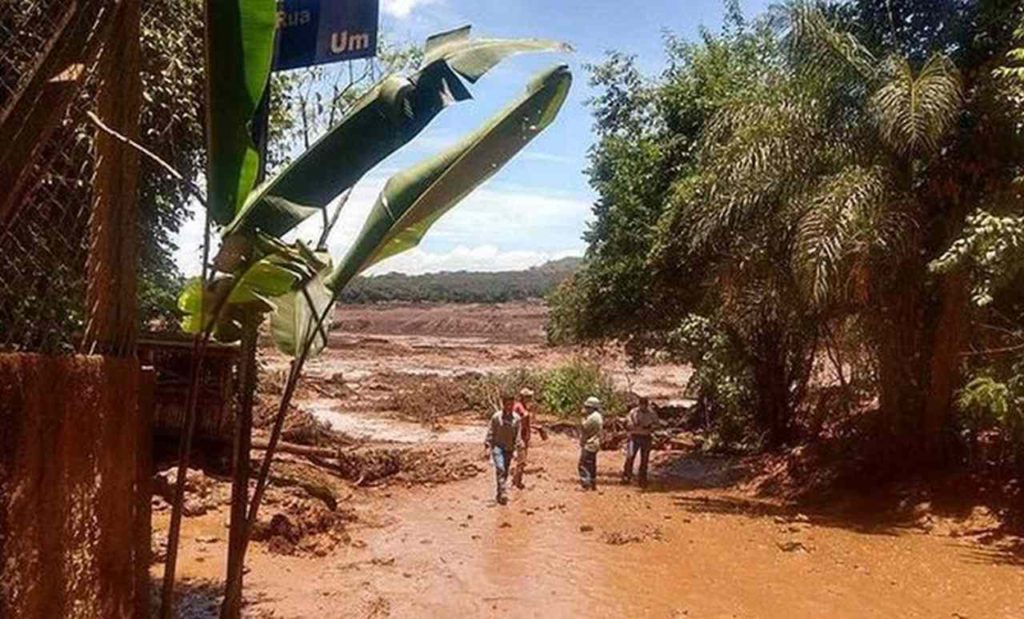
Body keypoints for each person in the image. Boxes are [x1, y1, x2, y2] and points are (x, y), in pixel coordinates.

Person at [484, 393, 522, 505]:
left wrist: (518, 448)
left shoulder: (516, 419)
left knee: (504, 471)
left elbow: (517, 436)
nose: (509, 406)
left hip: (509, 448)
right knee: (500, 468)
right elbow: (490, 432)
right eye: (507, 404)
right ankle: (504, 492)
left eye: (511, 404)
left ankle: (499, 492)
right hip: (497, 447)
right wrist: (487, 447)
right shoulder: (496, 417)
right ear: (503, 404)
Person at [512, 387, 547, 489]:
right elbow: (522, 418)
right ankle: (517, 483)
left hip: (524, 436)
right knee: (521, 461)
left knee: (522, 461)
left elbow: (525, 422)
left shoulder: (522, 406)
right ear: (523, 397)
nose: (530, 398)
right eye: (528, 397)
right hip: (520, 437)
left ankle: (517, 481)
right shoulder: (519, 406)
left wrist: (536, 428)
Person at [622, 395, 658, 487]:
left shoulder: (652, 413)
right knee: (630, 456)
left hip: (646, 437)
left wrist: (649, 427)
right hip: (634, 436)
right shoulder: (633, 412)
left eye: (645, 405)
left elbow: (656, 424)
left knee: (645, 459)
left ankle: (642, 478)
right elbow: (627, 423)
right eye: (641, 404)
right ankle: (626, 476)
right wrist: (635, 425)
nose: (643, 406)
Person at [578, 396, 604, 490]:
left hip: (590, 444)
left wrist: (582, 417)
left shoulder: (593, 417)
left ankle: (585, 485)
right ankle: (593, 484)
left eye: (588, 407)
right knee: (591, 464)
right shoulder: (598, 416)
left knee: (583, 465)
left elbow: (584, 427)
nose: (586, 409)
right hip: (594, 443)